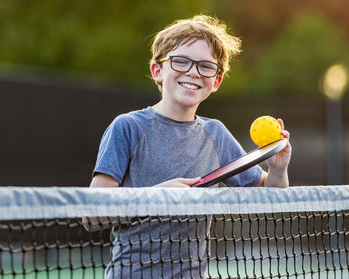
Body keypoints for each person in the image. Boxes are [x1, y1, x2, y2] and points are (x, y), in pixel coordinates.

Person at [85, 15, 292, 279]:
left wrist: (277, 169)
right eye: (181, 61)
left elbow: (272, 200)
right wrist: (157, 196)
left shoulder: (216, 134)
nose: (193, 72)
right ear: (157, 70)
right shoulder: (127, 127)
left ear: (215, 82)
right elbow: (92, 217)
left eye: (206, 66)